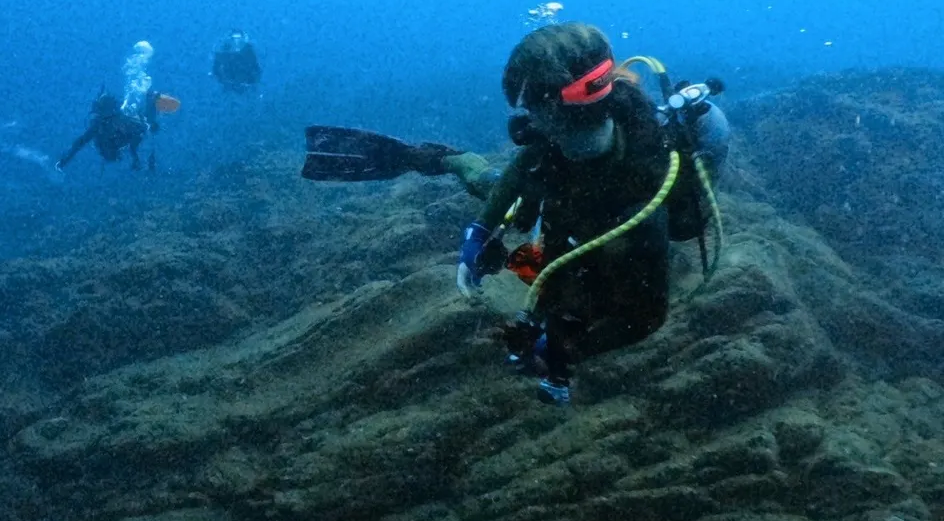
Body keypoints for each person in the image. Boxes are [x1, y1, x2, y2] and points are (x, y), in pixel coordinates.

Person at [301, 21, 726, 407]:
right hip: (565, 206)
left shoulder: (641, 204)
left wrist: (556, 352)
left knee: (574, 293)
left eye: (532, 105)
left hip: (604, 232)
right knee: (493, 183)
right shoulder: (557, 141)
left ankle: (453, 164)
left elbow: (646, 318)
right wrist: (480, 231)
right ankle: (437, 158)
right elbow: (521, 170)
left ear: (561, 109)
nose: (525, 119)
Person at [56, 41, 181, 173]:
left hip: (132, 128)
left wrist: (64, 161)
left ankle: (150, 98)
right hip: (132, 128)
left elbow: (79, 144)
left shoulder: (100, 126)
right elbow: (80, 143)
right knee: (144, 122)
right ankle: (150, 98)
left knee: (144, 122)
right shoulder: (109, 123)